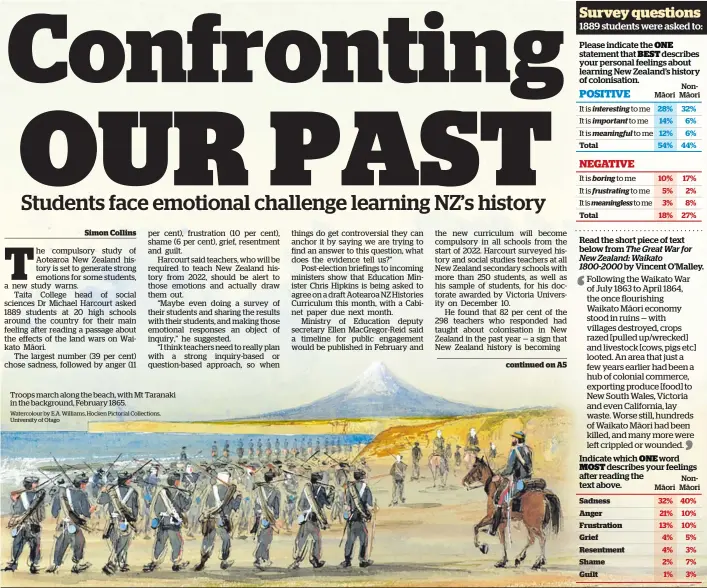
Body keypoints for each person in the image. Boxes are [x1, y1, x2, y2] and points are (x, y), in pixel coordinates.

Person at [143, 472, 192, 572]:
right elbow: (185, 507)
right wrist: (189, 498)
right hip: (173, 524)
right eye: (178, 481)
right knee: (177, 543)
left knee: (160, 543)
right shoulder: (179, 493)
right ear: (176, 482)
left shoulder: (161, 493)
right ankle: (175, 563)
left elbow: (156, 508)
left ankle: (155, 561)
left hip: (162, 523)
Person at [47, 473, 95, 574]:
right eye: (84, 484)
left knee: (61, 544)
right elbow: (85, 512)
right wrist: (92, 510)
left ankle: (55, 565)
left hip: (64, 523)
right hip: (74, 523)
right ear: (81, 484)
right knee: (79, 543)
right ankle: (76, 565)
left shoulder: (60, 493)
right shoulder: (81, 494)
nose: (85, 486)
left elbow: (54, 512)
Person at [194, 471, 241, 571]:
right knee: (226, 539)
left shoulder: (211, 489)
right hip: (221, 520)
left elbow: (206, 503)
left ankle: (202, 561)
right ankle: (224, 561)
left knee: (208, 540)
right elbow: (234, 507)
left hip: (210, 519)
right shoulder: (228, 491)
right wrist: (238, 497)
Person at [489, 431, 533, 536]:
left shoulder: (515, 451)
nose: (512, 440)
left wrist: (499, 475)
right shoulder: (528, 450)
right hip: (528, 481)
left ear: (517, 440)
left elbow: (509, 469)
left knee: (499, 498)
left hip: (519, 482)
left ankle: (494, 528)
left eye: (513, 438)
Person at [98, 470, 139, 575]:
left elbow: (101, 501)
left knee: (116, 543)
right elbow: (135, 510)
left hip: (112, 521)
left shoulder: (111, 490)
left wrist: (103, 492)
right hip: (125, 521)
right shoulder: (133, 492)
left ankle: (121, 563)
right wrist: (133, 521)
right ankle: (117, 563)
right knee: (124, 543)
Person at [290, 472, 332, 569]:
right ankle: (314, 560)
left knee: (301, 539)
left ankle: (297, 560)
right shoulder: (321, 489)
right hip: (314, 519)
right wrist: (331, 493)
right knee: (316, 540)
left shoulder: (306, 489)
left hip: (304, 518)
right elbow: (328, 503)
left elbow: (300, 505)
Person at [4, 476, 45, 574]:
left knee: (17, 544)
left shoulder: (20, 496)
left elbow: (16, 511)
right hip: (34, 526)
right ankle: (34, 565)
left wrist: (15, 501)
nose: (37, 484)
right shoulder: (38, 496)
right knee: (35, 546)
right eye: (36, 483)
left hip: (21, 526)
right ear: (32, 485)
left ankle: (14, 563)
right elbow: (41, 516)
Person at [340, 470, 374, 568]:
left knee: (350, 540)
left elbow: (346, 503)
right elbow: (369, 504)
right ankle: (362, 560)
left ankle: (347, 560)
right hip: (361, 518)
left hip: (351, 518)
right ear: (363, 477)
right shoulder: (366, 488)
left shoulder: (350, 488)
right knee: (364, 539)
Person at [253, 471, 281, 569]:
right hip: (268, 517)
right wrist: (276, 517)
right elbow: (277, 506)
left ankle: (265, 558)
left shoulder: (259, 489)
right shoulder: (276, 491)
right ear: (272, 479)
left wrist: (257, 515)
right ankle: (259, 558)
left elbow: (256, 504)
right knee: (266, 539)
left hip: (259, 516)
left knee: (261, 537)